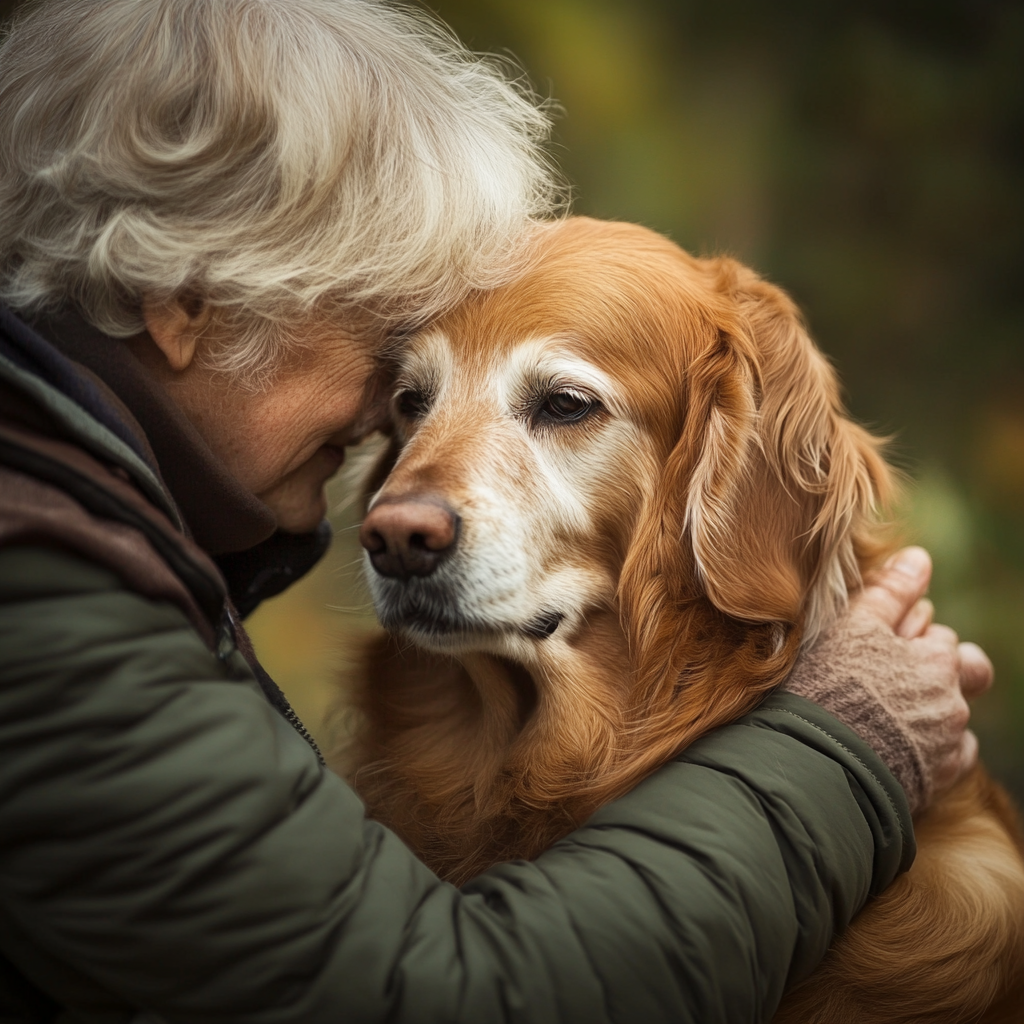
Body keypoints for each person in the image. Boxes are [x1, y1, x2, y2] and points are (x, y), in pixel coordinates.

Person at [0, 1, 991, 1021]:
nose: (395, 483)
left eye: (561, 405)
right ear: (182, 299)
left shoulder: (90, 524)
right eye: (396, 363)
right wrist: (841, 746)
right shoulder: (44, 593)